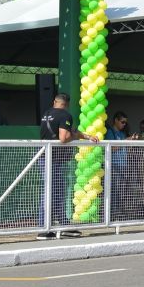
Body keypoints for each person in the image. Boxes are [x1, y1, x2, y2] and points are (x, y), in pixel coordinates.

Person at [37, 93, 99, 240]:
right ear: (67, 104)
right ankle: (51, 228)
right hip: (56, 159)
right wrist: (77, 137)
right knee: (55, 193)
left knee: (50, 191)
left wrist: (87, 136)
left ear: (55, 102)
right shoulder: (65, 115)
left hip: (44, 157)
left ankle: (51, 226)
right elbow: (64, 138)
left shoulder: (46, 114)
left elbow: (72, 132)